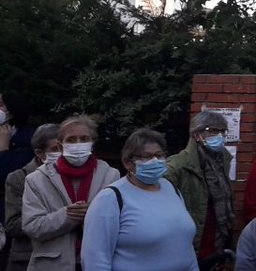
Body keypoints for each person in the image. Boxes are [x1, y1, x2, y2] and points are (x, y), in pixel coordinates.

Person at [80, 128, 198, 271]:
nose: (155, 161)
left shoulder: (170, 188)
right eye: (146, 156)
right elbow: (95, 260)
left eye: (159, 155)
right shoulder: (110, 199)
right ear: (128, 162)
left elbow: (186, 246)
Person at [22, 115, 118, 271]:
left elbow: (118, 222)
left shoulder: (111, 175)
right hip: (52, 264)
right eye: (71, 140)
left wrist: (93, 214)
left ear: (92, 143)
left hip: (98, 262)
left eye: (84, 139)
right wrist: (67, 216)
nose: (78, 144)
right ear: (60, 146)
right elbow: (32, 227)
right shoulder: (36, 180)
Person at [165, 110, 234, 265]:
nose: (219, 136)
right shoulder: (178, 166)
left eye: (223, 131)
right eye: (213, 131)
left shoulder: (222, 162)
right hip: (188, 246)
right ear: (196, 134)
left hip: (217, 243)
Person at [5, 124, 58, 271]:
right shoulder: (19, 178)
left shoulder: (73, 177)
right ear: (40, 153)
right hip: (27, 259)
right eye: (56, 149)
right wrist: (59, 217)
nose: (63, 154)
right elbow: (12, 225)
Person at [0, 95, 36, 230]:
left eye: (1, 104)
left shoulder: (27, 139)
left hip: (9, 210)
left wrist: (3, 149)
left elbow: (8, 177)